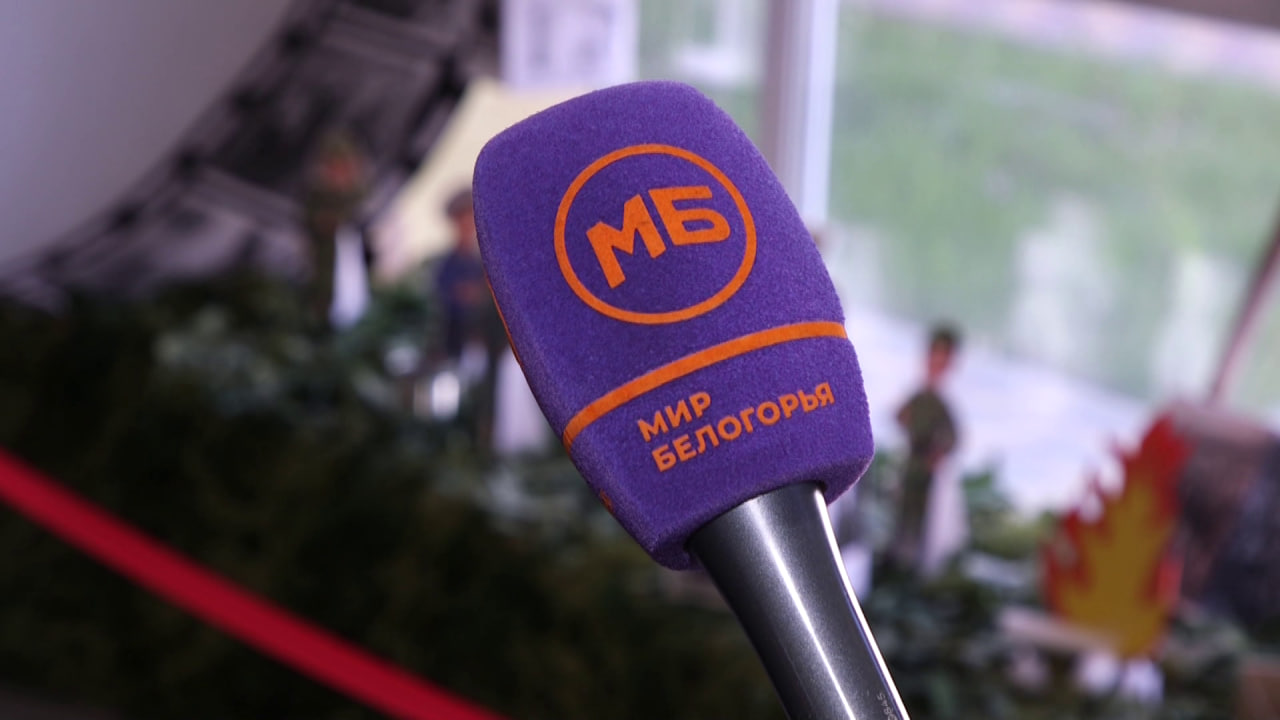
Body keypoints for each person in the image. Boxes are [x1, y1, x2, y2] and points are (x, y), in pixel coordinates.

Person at [433, 188, 505, 449]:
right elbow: (446, 304)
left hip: (494, 348)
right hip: (460, 345)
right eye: (461, 220)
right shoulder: (448, 265)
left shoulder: (491, 259)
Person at [891, 322, 961, 570]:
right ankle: (900, 556)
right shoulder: (920, 395)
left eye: (942, 358)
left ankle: (913, 562)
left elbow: (953, 437)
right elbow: (899, 415)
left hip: (926, 470)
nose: (936, 363)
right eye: (934, 355)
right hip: (912, 465)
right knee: (904, 511)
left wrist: (938, 453)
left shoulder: (942, 402)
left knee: (922, 518)